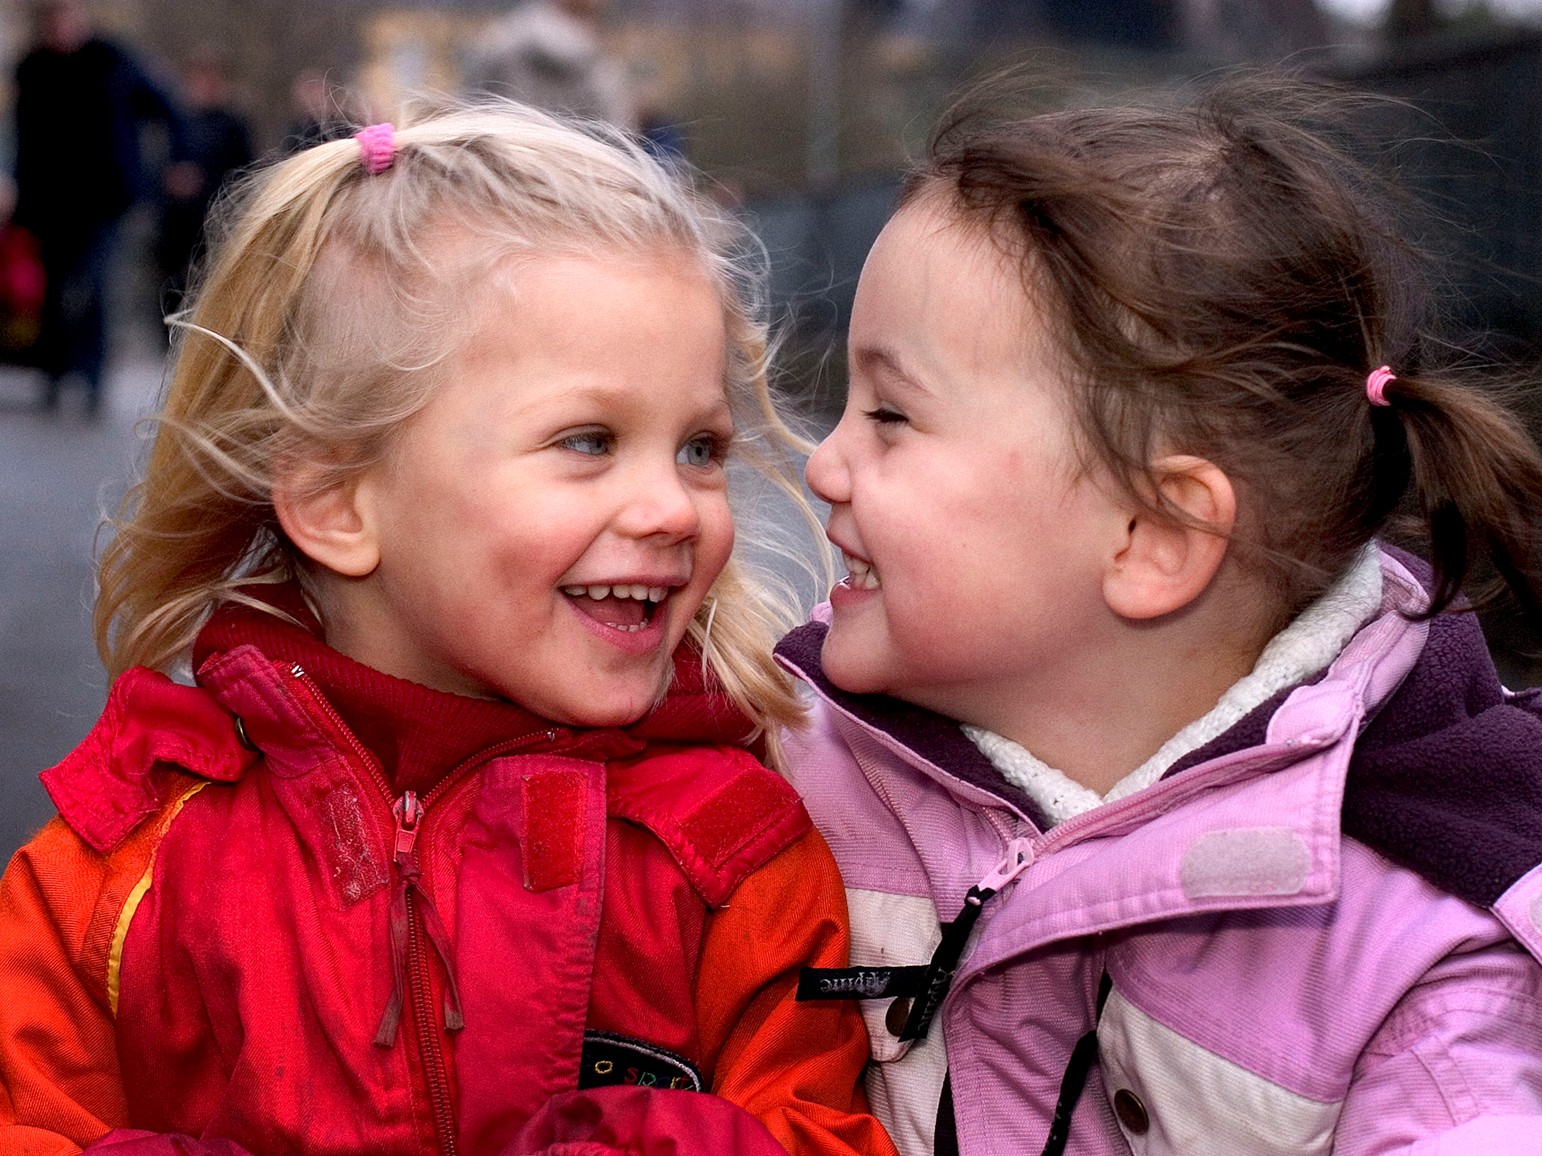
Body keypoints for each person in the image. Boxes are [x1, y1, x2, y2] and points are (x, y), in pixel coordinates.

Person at [0, 104, 896, 1156]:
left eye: (700, 447)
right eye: (588, 440)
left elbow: (819, 1129)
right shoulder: (126, 857)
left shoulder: (730, 855)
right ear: (340, 504)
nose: (675, 508)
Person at [776, 75, 1542, 1156]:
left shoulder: (1423, 953)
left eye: (892, 415)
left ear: (1154, 540)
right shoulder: (772, 768)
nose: (825, 462)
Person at [11, 0, 183, 415]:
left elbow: (165, 106)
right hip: (47, 201)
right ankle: (54, 375)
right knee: (54, 291)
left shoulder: (112, 61)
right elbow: (20, 134)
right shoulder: (32, 66)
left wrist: (177, 159)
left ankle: (92, 379)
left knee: (97, 286)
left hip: (104, 201)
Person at [155, 48, 254, 305]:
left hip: (217, 223)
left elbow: (245, 176)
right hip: (175, 232)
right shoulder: (176, 122)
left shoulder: (234, 125)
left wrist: (203, 183)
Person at [464, 0, 637, 129]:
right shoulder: (603, 72)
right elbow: (618, 144)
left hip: (506, 170)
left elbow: (467, 115)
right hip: (574, 172)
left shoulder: (498, 41)